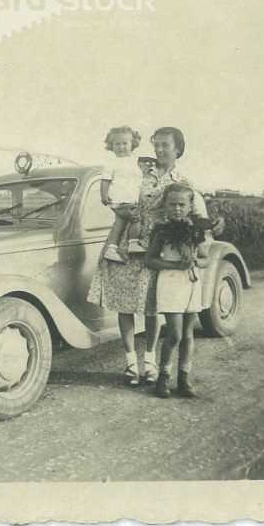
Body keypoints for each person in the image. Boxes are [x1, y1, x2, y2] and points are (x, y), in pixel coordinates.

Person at [87, 126, 220, 387]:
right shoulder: (137, 170)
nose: (159, 150)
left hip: (160, 246)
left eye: (165, 146)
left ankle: (149, 362)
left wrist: (208, 234)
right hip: (129, 241)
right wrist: (119, 209)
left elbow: (198, 215)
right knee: (124, 303)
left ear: (178, 150)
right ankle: (130, 363)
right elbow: (116, 195)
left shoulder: (183, 181)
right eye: (156, 144)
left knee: (152, 304)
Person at [144, 183, 210, 398]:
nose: (177, 209)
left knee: (188, 334)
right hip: (170, 282)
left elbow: (205, 259)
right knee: (174, 334)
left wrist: (194, 262)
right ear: (165, 206)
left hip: (191, 282)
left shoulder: (196, 231)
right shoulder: (162, 232)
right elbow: (150, 260)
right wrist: (175, 266)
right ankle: (163, 377)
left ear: (190, 207)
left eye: (182, 205)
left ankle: (184, 378)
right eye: (172, 204)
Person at [100, 127, 145, 263]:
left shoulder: (135, 160)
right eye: (117, 144)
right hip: (120, 198)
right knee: (136, 218)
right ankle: (133, 243)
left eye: (125, 143)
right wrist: (103, 195)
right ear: (111, 146)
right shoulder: (112, 162)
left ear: (133, 144)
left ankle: (111, 249)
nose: (121, 147)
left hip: (131, 198)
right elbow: (105, 179)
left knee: (119, 223)